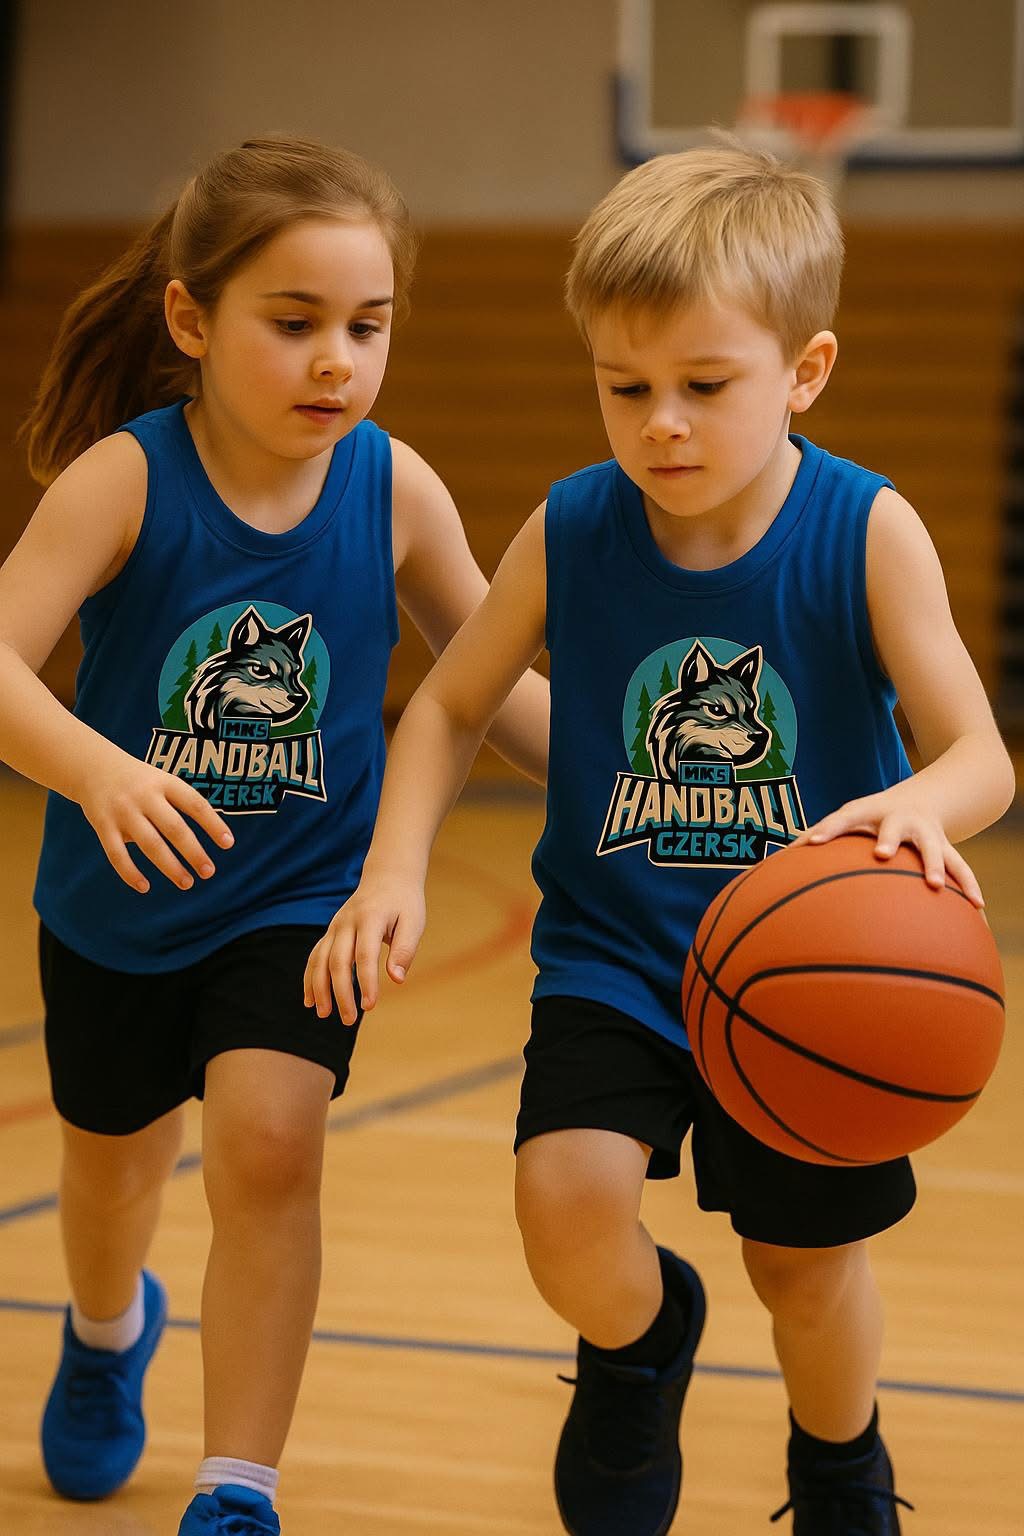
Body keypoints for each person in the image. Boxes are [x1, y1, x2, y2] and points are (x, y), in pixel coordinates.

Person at [305, 143, 1016, 1535]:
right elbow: (449, 701)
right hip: (616, 955)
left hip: (818, 971)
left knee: (804, 1272)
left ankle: (840, 1463)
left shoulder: (866, 530)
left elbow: (981, 753)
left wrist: (917, 806)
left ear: (805, 370)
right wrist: (389, 871)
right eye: (624, 389)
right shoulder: (576, 524)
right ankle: (637, 1341)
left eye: (704, 386)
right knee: (564, 1208)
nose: (659, 425)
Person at [0, 136, 548, 1536]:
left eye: (365, 329)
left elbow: (484, 683)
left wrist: (636, 792)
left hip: (299, 904)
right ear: (192, 319)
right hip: (120, 906)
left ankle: (236, 1483)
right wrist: (95, 771)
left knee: (268, 1144)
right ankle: (108, 1325)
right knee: (110, 1170)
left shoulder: (394, 488)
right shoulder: (126, 483)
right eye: (294, 324)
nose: (336, 362)